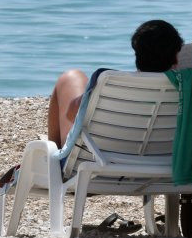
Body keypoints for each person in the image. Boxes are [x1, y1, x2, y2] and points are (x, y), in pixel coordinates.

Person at [47, 20, 183, 148]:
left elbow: (71, 115)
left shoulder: (110, 84)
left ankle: (54, 160)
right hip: (164, 158)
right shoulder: (191, 91)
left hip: (99, 160)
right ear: (176, 58)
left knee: (71, 76)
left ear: (137, 54)